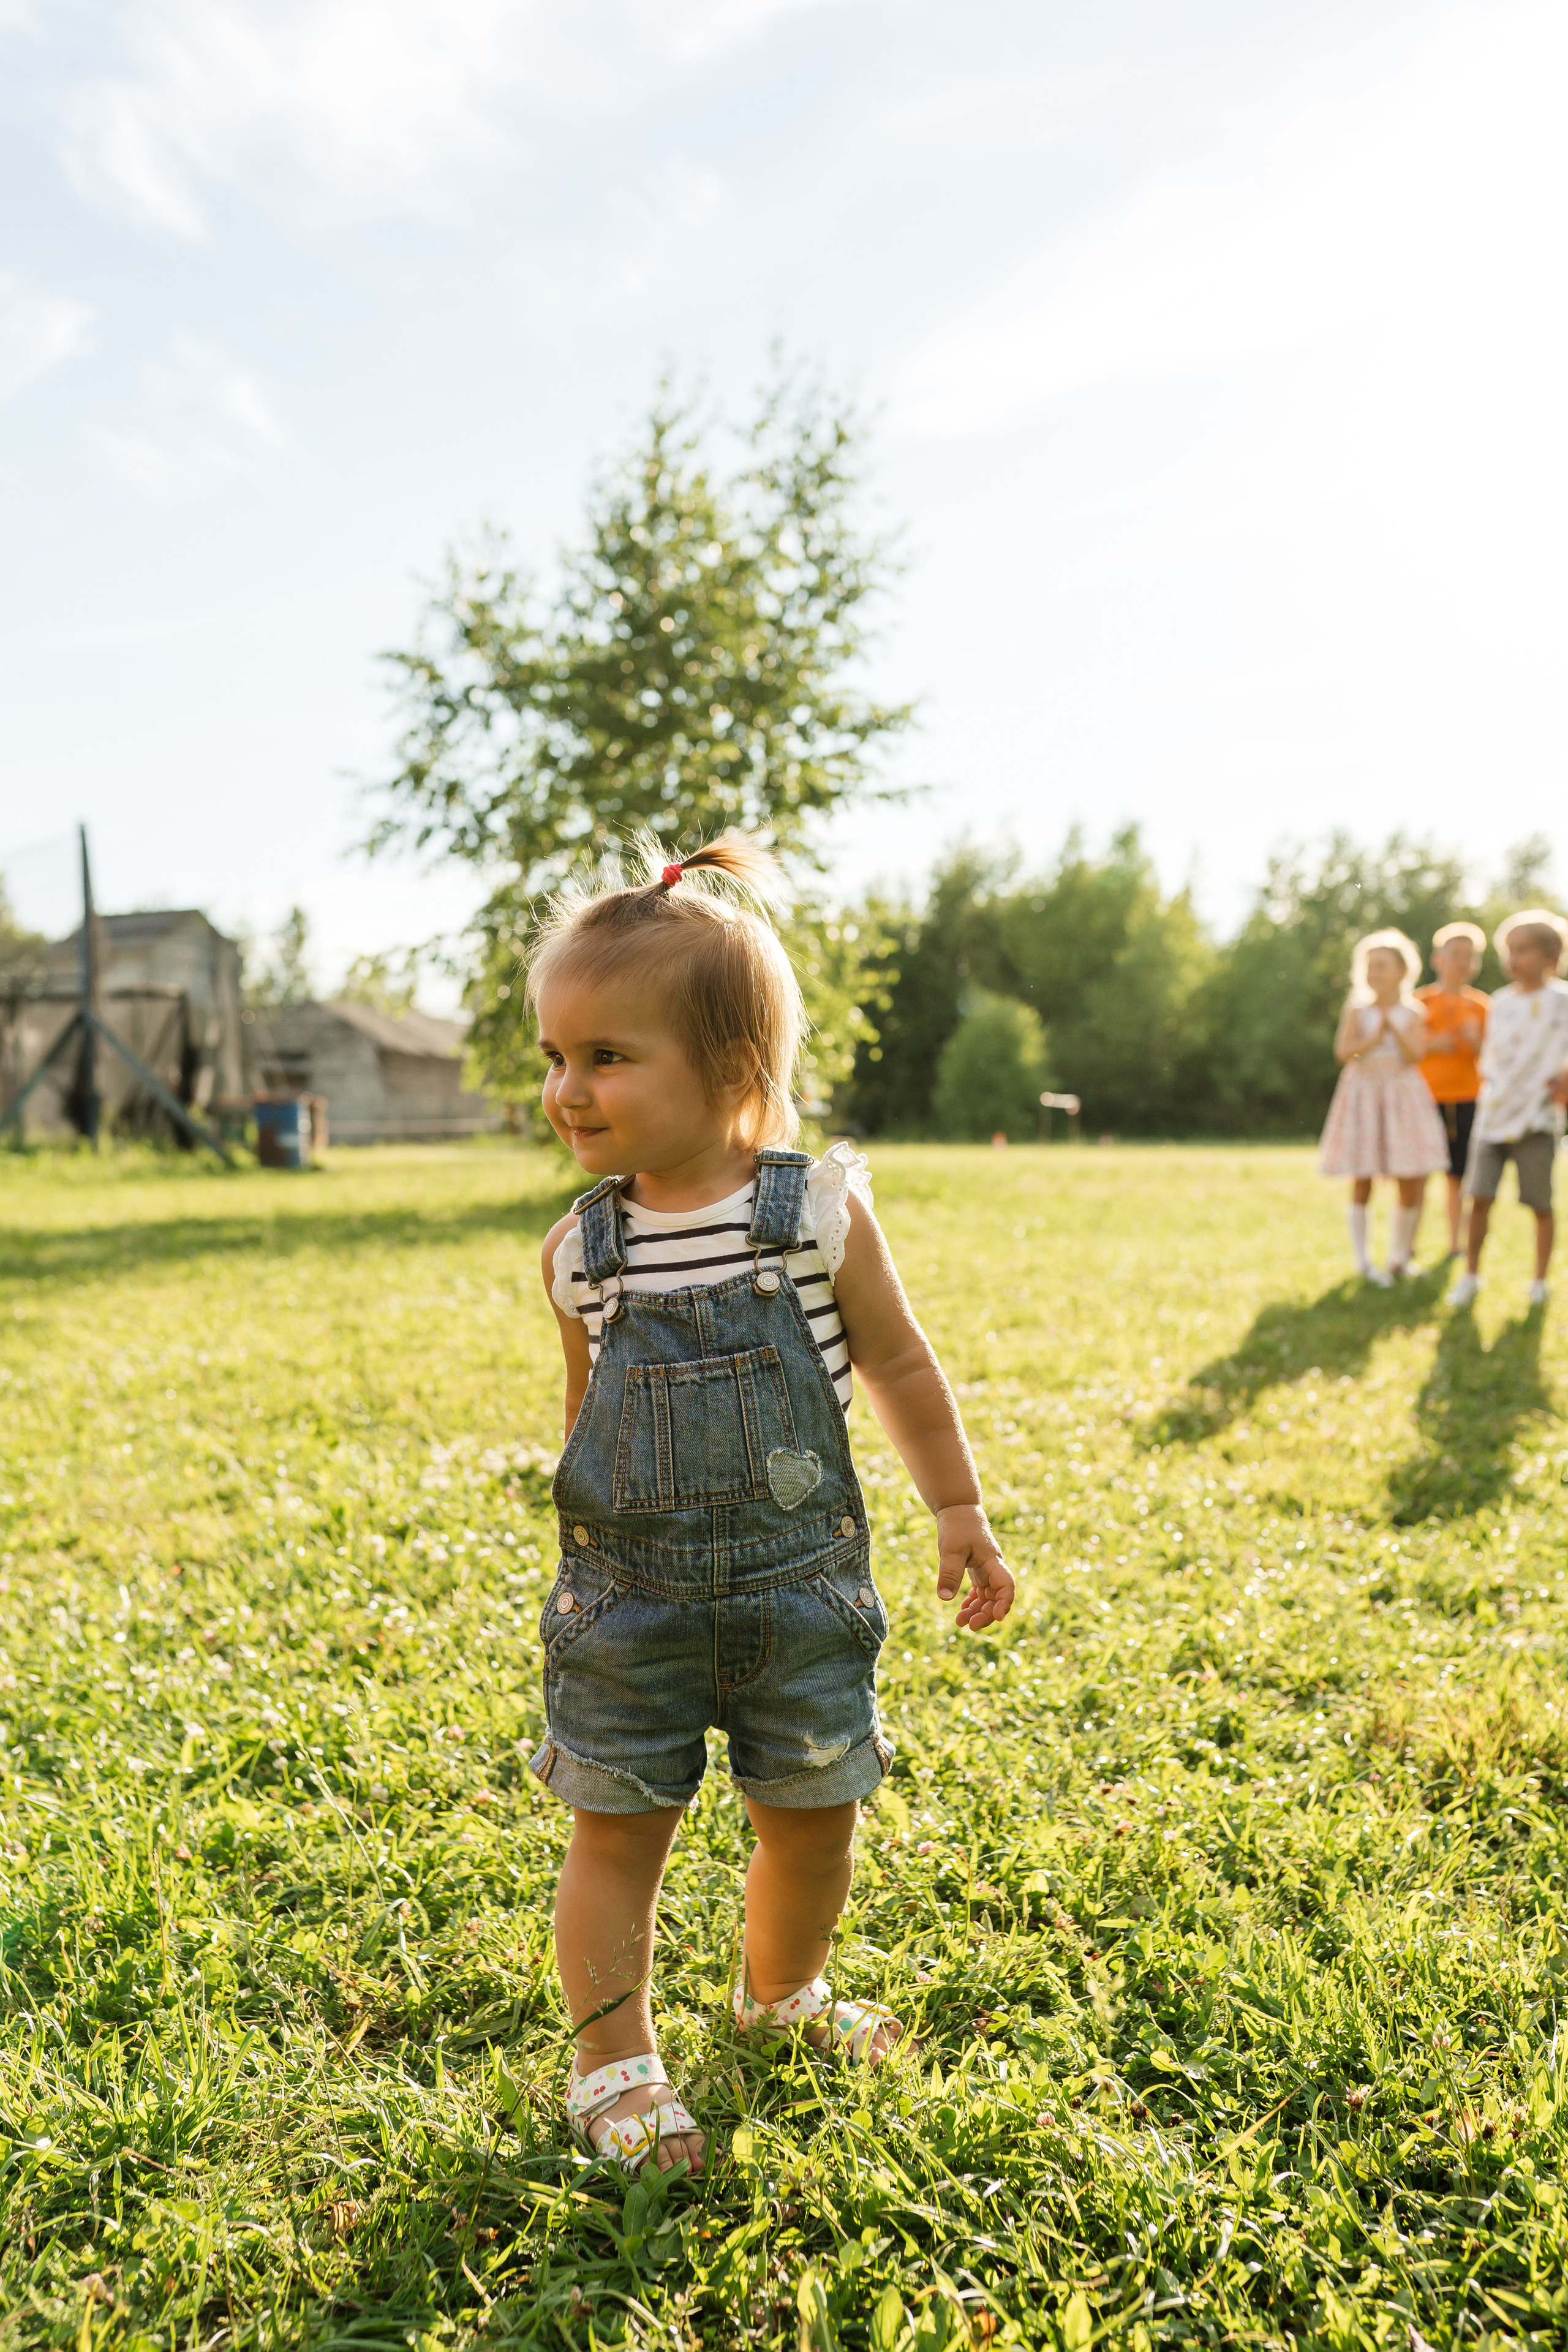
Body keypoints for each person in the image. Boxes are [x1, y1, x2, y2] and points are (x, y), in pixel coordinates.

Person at [530, 834, 1016, 2179]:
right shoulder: (585, 1251)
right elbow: (586, 1423)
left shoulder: (813, 1217)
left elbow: (901, 1363)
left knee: (812, 1819)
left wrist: (955, 1507)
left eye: (606, 1056)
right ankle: (612, 2066)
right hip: (629, 1600)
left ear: (734, 1067)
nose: (568, 1088)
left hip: (800, 1586)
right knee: (616, 1829)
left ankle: (777, 1995)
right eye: (554, 1058)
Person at [1448, 909, 1568, 1310]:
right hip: (1493, 1115)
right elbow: (1497, 1058)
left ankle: (1538, 1281)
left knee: (1540, 1204)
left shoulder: (1562, 1001)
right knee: (1478, 1198)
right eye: (1509, 951)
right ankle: (1471, 1275)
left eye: (1524, 950)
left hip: (1537, 1119)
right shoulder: (1499, 1002)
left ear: (1551, 956)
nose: (1513, 959)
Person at [1319, 929, 1448, 1283]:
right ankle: (1363, 1261)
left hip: (1402, 1098)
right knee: (1363, 1176)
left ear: (1403, 971)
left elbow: (1414, 1056)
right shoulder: (1357, 1010)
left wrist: (1395, 1026)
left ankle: (1398, 1258)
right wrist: (1373, 1038)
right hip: (1364, 1095)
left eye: (1382, 966)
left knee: (1409, 1176)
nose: (1374, 974)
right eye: (1369, 967)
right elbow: (1345, 1053)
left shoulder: (1413, 1011)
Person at [1415, 922, 1489, 1259]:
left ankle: (1455, 1244)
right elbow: (1406, 1046)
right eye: (1455, 954)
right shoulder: (1419, 1002)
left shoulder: (1483, 1006)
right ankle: (1410, 1243)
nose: (1461, 962)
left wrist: (1476, 1043)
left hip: (1467, 1098)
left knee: (1458, 1174)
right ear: (1437, 959)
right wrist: (1433, 1043)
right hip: (1423, 1098)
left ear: (1475, 963)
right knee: (1417, 1172)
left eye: (1469, 956)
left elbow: (1492, 1056)